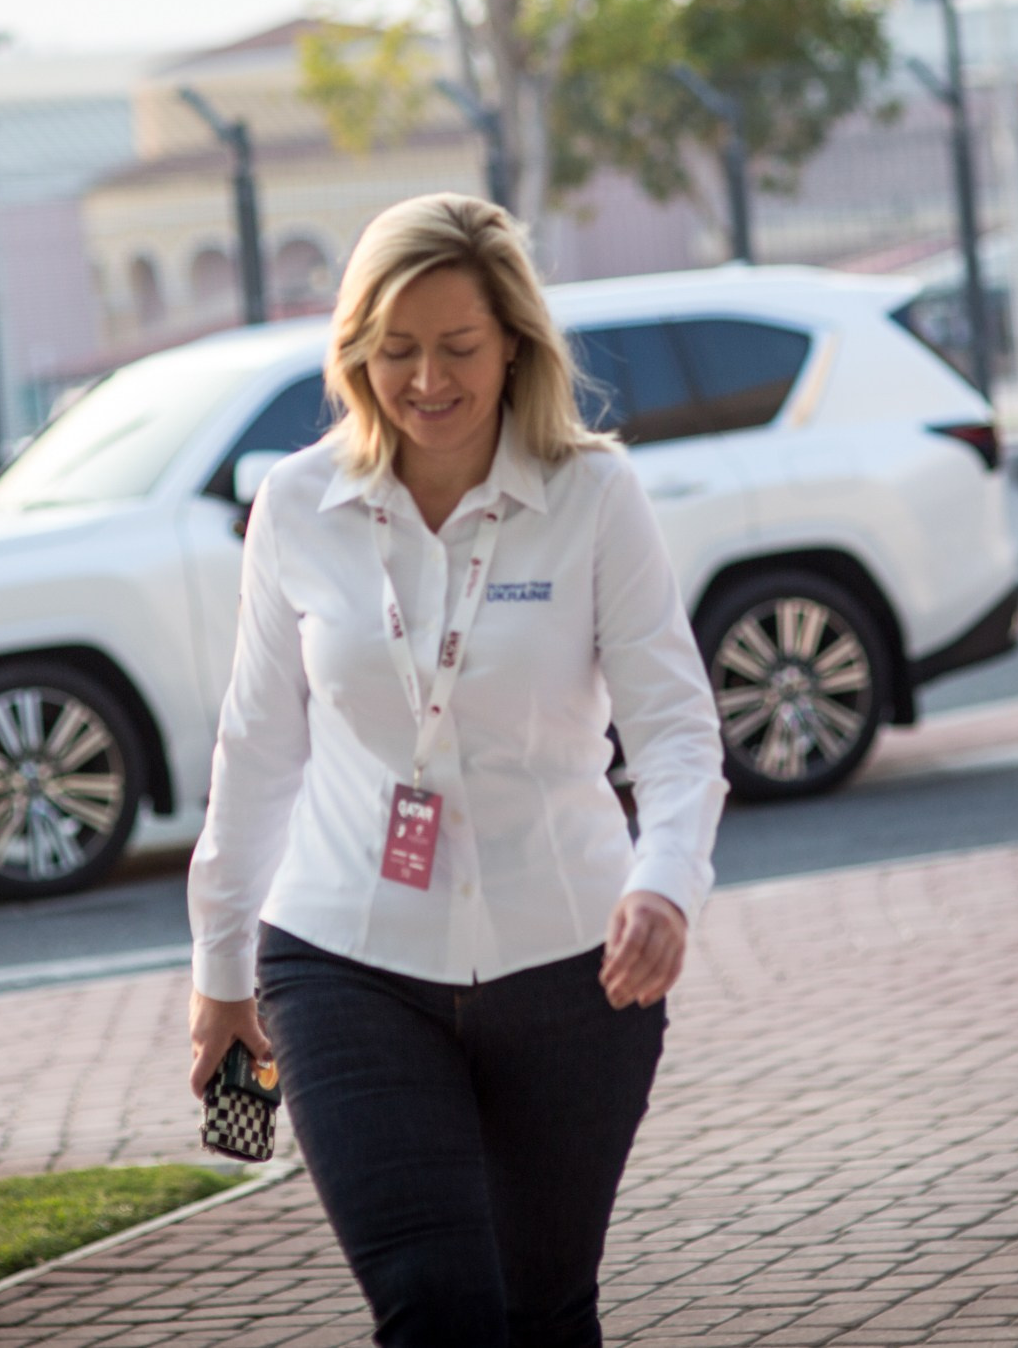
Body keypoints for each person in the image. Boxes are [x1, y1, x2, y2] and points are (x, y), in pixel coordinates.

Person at [186, 193, 729, 1348]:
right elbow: (257, 744)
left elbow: (676, 725)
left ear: (515, 344)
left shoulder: (593, 495)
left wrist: (666, 881)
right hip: (344, 958)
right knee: (436, 1308)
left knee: (542, 1309)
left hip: (574, 962)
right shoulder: (296, 504)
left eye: (458, 347)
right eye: (396, 349)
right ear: (355, 351)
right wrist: (220, 964)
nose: (426, 379)